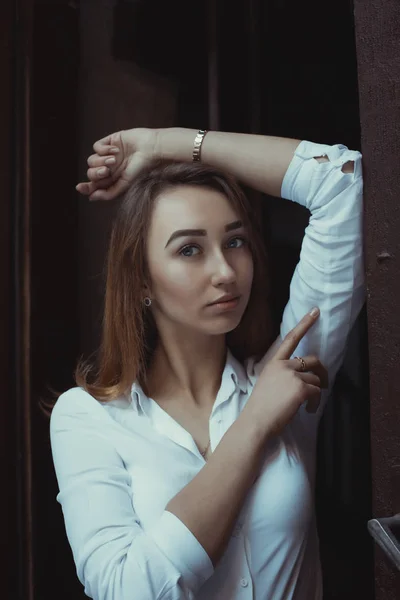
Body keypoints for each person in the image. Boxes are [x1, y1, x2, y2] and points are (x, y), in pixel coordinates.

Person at [50, 127, 365, 600]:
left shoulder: (286, 373)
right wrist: (254, 423)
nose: (224, 271)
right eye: (190, 249)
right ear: (141, 282)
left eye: (235, 242)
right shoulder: (87, 418)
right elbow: (128, 590)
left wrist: (164, 145)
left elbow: (343, 183)